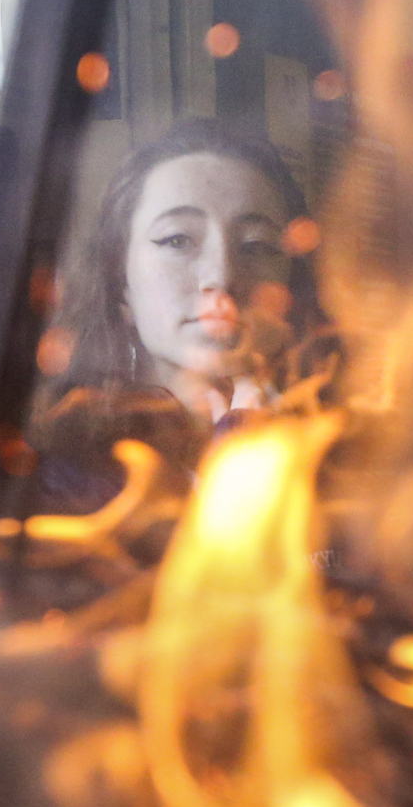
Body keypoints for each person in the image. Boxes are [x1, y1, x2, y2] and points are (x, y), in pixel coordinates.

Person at [28, 119, 315, 512]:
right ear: (121, 283)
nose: (221, 275)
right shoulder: (58, 472)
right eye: (177, 240)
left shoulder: (340, 447)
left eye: (257, 246)